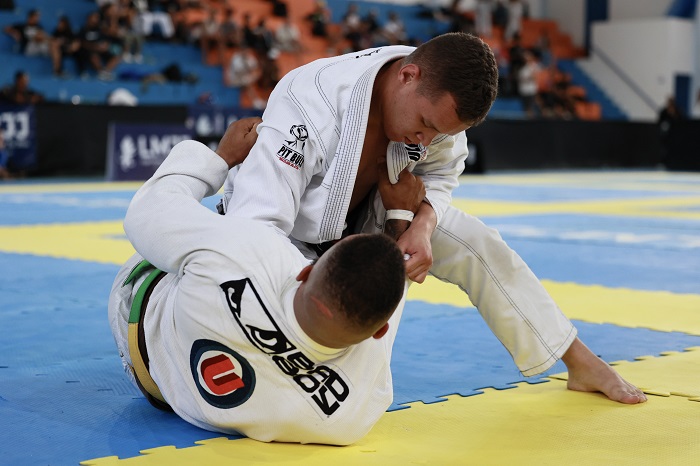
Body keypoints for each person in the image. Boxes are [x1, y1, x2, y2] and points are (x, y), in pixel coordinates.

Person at [218, 32, 647, 405]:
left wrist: (419, 228)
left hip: (369, 220)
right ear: (408, 76)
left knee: (475, 240)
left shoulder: (437, 111)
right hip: (287, 240)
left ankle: (578, 361)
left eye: (440, 133)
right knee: (331, 375)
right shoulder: (310, 100)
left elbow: (442, 176)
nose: (426, 140)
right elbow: (255, 225)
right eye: (424, 124)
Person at [109, 117, 421, 444]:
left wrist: (221, 159)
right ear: (379, 331)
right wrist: (399, 217)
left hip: (139, 317)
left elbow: (146, 211)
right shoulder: (354, 416)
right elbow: (390, 288)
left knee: (230, 231)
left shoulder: (246, 253)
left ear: (305, 270)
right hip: (178, 400)